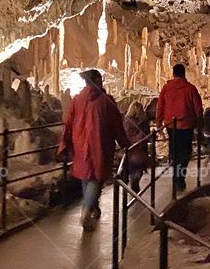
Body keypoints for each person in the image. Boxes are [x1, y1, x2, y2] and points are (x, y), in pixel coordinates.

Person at [57, 69, 130, 231]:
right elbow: (116, 125)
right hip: (100, 145)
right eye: (100, 79)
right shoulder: (106, 101)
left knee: (86, 176)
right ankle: (87, 210)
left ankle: (93, 207)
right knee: (96, 178)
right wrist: (125, 143)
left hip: (80, 145)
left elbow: (68, 123)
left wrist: (65, 143)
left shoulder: (76, 100)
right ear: (96, 81)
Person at [155, 63, 203, 194]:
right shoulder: (190, 88)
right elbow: (198, 108)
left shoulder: (166, 88)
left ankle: (176, 176)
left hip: (171, 125)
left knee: (175, 151)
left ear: (173, 74)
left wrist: (159, 124)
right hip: (186, 125)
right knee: (185, 152)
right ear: (184, 74)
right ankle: (179, 178)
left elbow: (160, 106)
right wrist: (199, 124)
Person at [123, 101, 151, 190]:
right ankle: (134, 184)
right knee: (138, 168)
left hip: (129, 147)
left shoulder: (126, 121)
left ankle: (130, 182)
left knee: (130, 167)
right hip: (140, 148)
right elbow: (147, 135)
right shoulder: (144, 122)